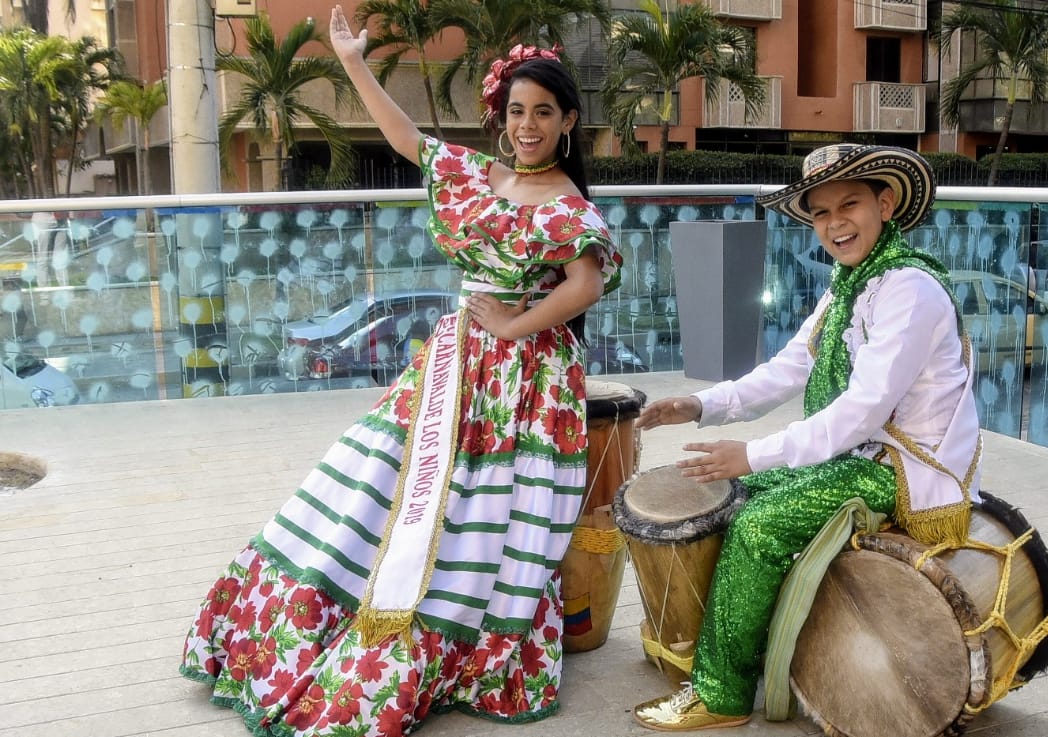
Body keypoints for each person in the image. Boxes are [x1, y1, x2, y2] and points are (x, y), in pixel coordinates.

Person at [179, 6, 623, 735]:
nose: (529, 125)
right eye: (517, 111)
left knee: (483, 509)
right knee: (375, 471)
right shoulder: (486, 176)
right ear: (502, 117)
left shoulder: (567, 201)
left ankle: (444, 638)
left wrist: (512, 324)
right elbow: (408, 140)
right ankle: (305, 617)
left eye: (544, 112)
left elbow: (585, 284)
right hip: (455, 361)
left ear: (568, 120)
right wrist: (352, 59)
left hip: (525, 379)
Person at [631, 144, 982, 731]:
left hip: (901, 467)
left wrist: (750, 453)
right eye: (820, 213)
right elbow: (788, 369)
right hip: (859, 454)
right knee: (744, 493)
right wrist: (700, 405)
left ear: (886, 203)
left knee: (757, 522)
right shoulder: (849, 285)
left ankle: (722, 695)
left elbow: (863, 412)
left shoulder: (908, 290)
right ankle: (738, 642)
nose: (835, 224)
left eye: (850, 205)